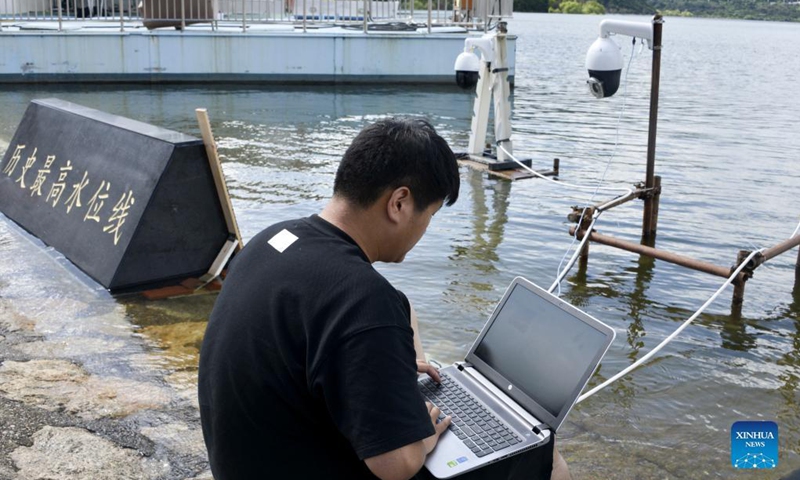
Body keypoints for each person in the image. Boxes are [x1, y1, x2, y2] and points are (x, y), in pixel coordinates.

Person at [198, 117, 570, 480]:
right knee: (545, 456)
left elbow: (329, 332)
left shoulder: (274, 239)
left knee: (401, 307)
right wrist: (421, 433)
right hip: (305, 465)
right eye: (431, 215)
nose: (425, 229)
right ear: (400, 203)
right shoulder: (363, 299)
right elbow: (395, 466)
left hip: (248, 461)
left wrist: (390, 367)